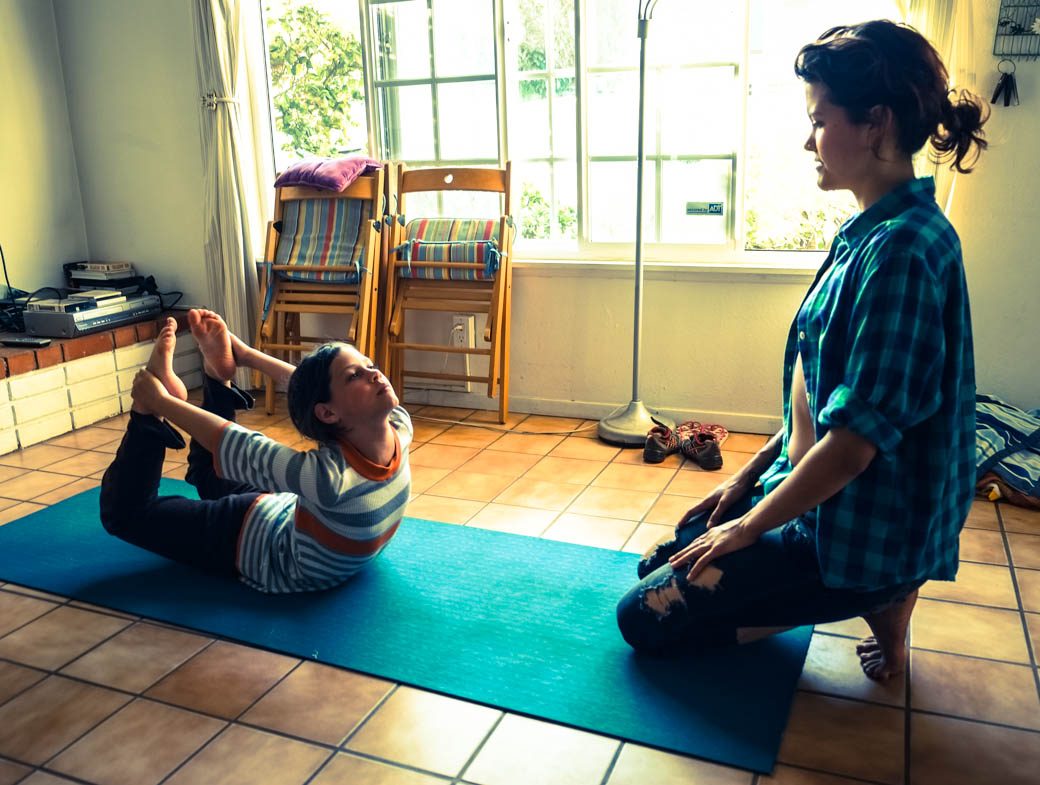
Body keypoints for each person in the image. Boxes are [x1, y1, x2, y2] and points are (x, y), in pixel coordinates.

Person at [617, 20, 987, 680]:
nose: (807, 140)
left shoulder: (902, 252)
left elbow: (851, 445)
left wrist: (748, 528)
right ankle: (857, 592)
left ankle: (880, 592)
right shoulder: (872, 232)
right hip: (816, 497)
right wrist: (747, 478)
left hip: (857, 532)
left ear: (875, 124)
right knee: (664, 559)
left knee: (644, 618)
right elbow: (818, 397)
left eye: (818, 120)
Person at [99, 309, 412, 593]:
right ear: (327, 412)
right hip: (254, 542)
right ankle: (147, 412)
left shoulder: (397, 426)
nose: (375, 374)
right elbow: (241, 444)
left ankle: (213, 382)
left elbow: (299, 404)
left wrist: (246, 357)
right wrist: (161, 402)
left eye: (368, 366)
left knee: (207, 474)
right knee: (125, 515)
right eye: (355, 375)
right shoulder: (330, 476)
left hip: (280, 514)